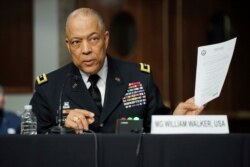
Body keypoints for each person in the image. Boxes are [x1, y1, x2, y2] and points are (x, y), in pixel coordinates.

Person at [30, 8, 204, 134]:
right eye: (76, 42)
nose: (86, 49)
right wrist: (62, 129)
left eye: (93, 39)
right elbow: (30, 142)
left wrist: (176, 120)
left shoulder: (139, 78)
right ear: (68, 45)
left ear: (105, 39)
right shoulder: (50, 88)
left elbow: (156, 127)